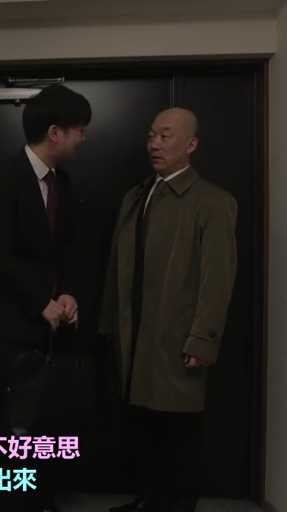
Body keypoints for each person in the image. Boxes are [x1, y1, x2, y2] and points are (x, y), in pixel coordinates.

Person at [99, 108, 238, 512]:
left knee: (178, 431)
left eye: (165, 136)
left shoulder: (213, 202)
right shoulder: (136, 196)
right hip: (135, 333)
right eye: (150, 136)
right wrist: (109, 323)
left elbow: (218, 279)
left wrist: (203, 339)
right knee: (142, 426)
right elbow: (117, 266)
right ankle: (149, 501)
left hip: (176, 338)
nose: (154, 145)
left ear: (191, 144)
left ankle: (174, 506)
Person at [0, 84, 91, 512]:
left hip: (54, 331)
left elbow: (70, 248)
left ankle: (41, 503)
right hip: (14, 330)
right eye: (80, 129)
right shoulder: (3, 180)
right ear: (55, 132)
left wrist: (70, 293)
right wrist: (41, 302)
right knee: (13, 430)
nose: (84, 138)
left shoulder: (63, 182)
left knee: (46, 427)